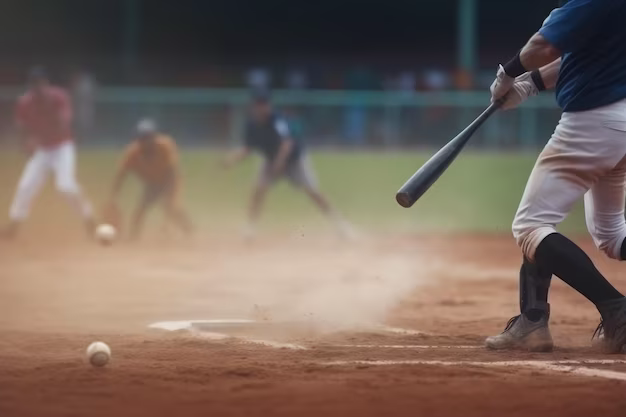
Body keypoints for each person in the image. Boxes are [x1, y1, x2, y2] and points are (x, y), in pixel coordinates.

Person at [485, 0, 626, 353]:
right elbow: (581, 58)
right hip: (619, 124)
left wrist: (507, 74)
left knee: (531, 225)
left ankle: (616, 309)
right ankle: (532, 322)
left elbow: (543, 47)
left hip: (595, 122)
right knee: (612, 237)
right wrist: (530, 86)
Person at [222, 91, 352, 239]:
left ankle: (340, 224)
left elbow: (286, 143)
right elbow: (247, 147)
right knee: (258, 190)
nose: (262, 108)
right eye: (259, 105)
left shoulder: (277, 120)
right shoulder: (251, 124)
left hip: (294, 160)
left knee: (313, 191)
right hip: (271, 160)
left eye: (264, 105)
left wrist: (279, 163)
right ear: (254, 107)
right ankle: (250, 227)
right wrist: (231, 160)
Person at [1, 67, 94, 239]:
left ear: (47, 84)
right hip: (43, 149)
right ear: (30, 86)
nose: (38, 88)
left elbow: (64, 123)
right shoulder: (24, 103)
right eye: (34, 85)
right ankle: (15, 224)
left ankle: (88, 218)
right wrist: (26, 144)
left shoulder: (59, 97)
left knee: (65, 186)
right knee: (26, 186)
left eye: (40, 83)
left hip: (62, 147)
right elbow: (22, 127)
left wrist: (41, 129)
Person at [107, 119, 193, 240]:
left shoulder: (165, 146)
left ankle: (189, 230)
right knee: (140, 210)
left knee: (171, 207)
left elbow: (173, 171)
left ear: (154, 137)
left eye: (148, 137)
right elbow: (121, 176)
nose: (146, 141)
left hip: (170, 180)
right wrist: (113, 197)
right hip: (152, 184)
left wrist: (168, 197)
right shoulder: (133, 153)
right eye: (143, 138)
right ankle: (133, 238)